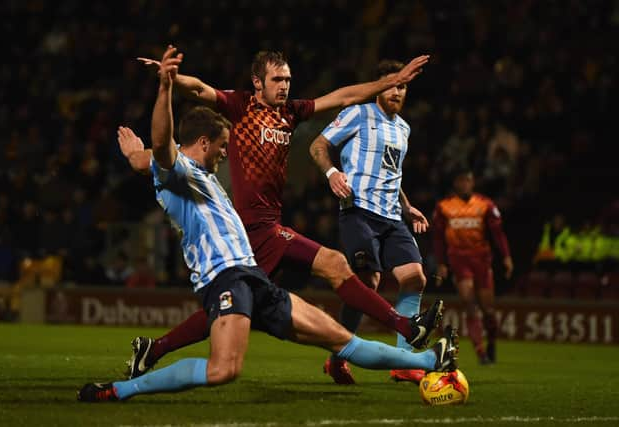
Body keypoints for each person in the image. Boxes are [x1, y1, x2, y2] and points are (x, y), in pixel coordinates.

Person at [77, 47, 458, 402]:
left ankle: (426, 356)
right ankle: (408, 328)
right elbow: (190, 104)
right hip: (252, 230)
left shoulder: (287, 114)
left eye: (289, 80)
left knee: (320, 328)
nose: (286, 86)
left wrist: (391, 81)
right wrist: (169, 81)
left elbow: (342, 96)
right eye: (278, 80)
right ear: (258, 82)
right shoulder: (236, 111)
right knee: (333, 265)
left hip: (257, 242)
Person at [309, 59, 433, 385]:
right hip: (358, 211)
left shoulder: (404, 129)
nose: (397, 91)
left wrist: (407, 207)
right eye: (392, 84)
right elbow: (318, 145)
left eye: (402, 86)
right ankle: (339, 357)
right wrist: (332, 173)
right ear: (378, 86)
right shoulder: (358, 113)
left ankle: (405, 362)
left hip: (392, 217)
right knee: (368, 282)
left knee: (414, 277)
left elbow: (393, 174)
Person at [432, 167, 513, 364]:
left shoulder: (485, 205)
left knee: (488, 309)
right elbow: (438, 238)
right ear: (455, 184)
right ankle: (480, 351)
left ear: (473, 182)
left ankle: (492, 340)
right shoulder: (444, 207)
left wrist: (506, 257)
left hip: (481, 260)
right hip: (459, 259)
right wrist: (441, 263)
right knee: (469, 303)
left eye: (468, 180)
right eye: (461, 180)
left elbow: (497, 233)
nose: (465, 184)